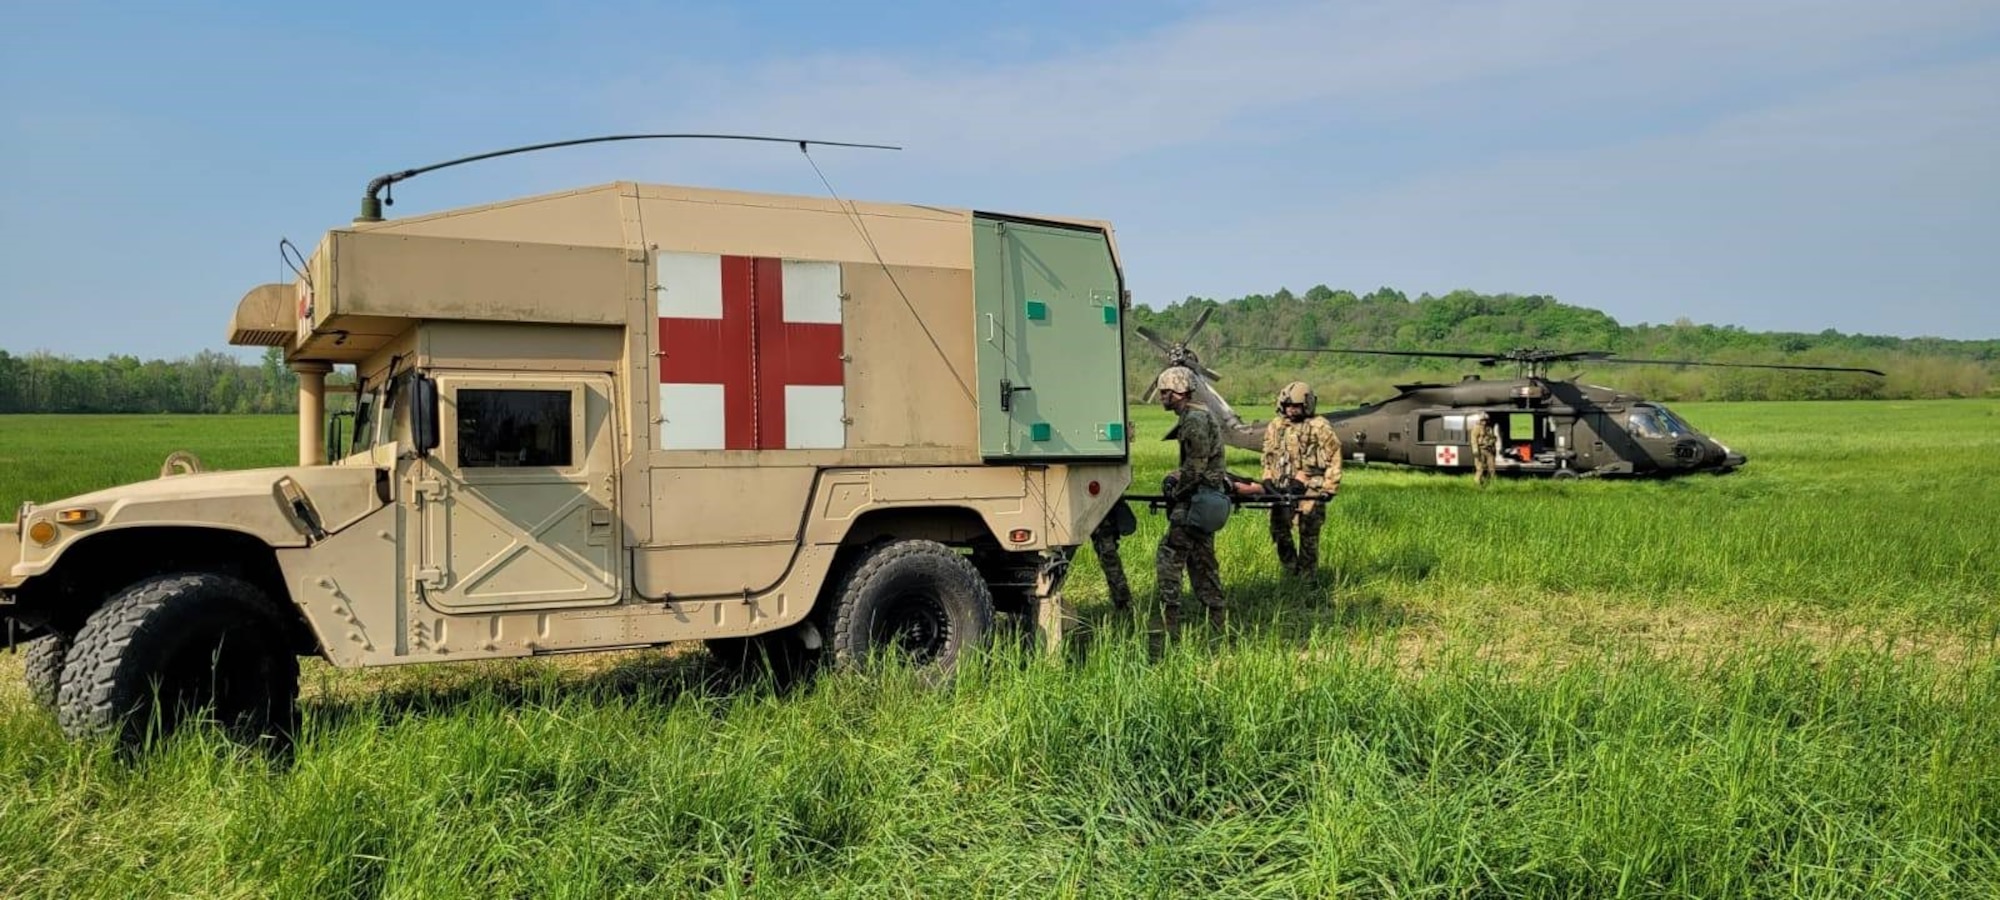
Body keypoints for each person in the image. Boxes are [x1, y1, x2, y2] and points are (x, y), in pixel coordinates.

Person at [1152, 366, 1230, 632]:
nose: (1162, 397)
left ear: (1178, 392)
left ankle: (1169, 622)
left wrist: (1176, 490)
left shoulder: (1194, 419)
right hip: (1203, 500)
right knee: (1202, 562)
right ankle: (1217, 622)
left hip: (1195, 501)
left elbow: (1196, 465)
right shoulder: (1197, 415)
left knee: (1169, 557)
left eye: (1165, 392)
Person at [1260, 381, 1342, 578]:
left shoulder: (1319, 426)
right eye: (1288, 406)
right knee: (1279, 530)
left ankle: (1308, 577)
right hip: (1282, 487)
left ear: (1306, 405)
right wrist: (1267, 479)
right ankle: (1290, 570)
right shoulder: (1275, 426)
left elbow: (1334, 455)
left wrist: (1329, 487)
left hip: (1311, 487)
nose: (1291, 410)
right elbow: (1267, 456)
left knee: (1308, 534)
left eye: (1296, 406)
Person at [1469, 411, 1497, 486]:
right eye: (1482, 420)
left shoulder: (1489, 428)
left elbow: (1493, 437)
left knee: (1492, 468)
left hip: (1489, 450)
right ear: (1480, 420)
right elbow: (1473, 440)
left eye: (1485, 420)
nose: (1484, 422)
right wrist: (1475, 451)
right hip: (1480, 450)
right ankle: (1477, 484)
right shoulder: (1476, 428)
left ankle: (1493, 483)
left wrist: (1492, 442)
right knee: (1480, 469)